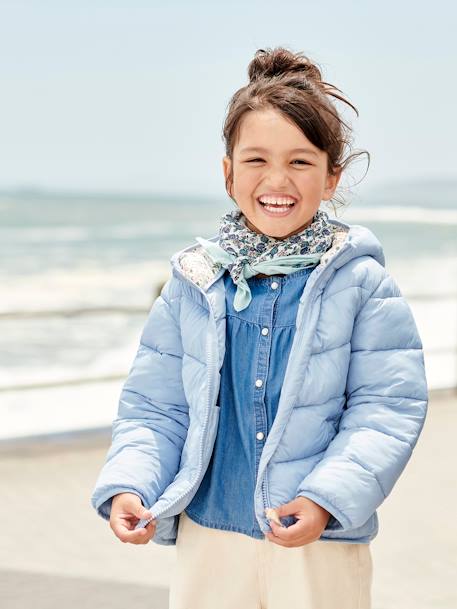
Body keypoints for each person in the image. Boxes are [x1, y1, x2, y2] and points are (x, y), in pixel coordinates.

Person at [90, 46, 428, 609]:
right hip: (208, 533)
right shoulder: (193, 283)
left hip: (317, 540)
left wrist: (326, 499)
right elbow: (156, 406)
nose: (278, 180)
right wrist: (131, 484)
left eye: (300, 162)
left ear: (331, 176)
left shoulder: (363, 285)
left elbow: (386, 409)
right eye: (256, 161)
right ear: (227, 174)